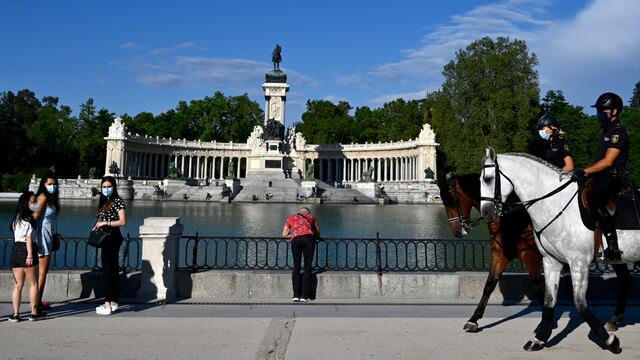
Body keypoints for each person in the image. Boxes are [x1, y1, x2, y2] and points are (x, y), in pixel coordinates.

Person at [576, 92, 629, 262]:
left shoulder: (618, 132)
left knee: (595, 202)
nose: (599, 114)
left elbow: (607, 162)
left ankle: (613, 247)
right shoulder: (607, 130)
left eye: (603, 110)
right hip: (602, 176)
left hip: (614, 176)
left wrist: (585, 171)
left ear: (614, 111)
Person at [93, 176, 127, 315]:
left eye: (109, 187)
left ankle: (107, 304)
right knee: (111, 270)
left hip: (112, 237)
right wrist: (98, 225)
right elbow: (102, 219)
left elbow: (123, 221)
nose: (106, 189)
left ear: (114, 187)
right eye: (104, 187)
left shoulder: (118, 201)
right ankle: (113, 301)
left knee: (108, 270)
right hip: (105, 237)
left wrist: (105, 223)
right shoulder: (104, 201)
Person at [9, 191, 45, 322]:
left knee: (18, 284)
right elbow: (28, 238)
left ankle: (15, 314)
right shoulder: (29, 220)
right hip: (28, 250)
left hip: (16, 250)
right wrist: (30, 254)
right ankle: (34, 313)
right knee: (34, 284)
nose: (36, 204)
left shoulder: (16, 219)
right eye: (33, 201)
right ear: (26, 203)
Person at [32, 172, 60, 311]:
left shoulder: (50, 199)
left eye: (54, 184)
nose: (52, 186)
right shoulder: (42, 197)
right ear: (43, 185)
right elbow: (33, 217)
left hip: (47, 238)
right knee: (42, 273)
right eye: (49, 184)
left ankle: (38, 301)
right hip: (41, 239)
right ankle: (36, 306)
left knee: (42, 273)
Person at [282, 207, 320, 302]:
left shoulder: (291, 218)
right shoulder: (311, 218)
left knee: (296, 266)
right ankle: (304, 296)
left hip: (296, 240)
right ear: (307, 213)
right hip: (309, 239)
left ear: (299, 212)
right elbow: (318, 233)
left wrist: (295, 233)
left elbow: (284, 234)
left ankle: (295, 295)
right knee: (307, 266)